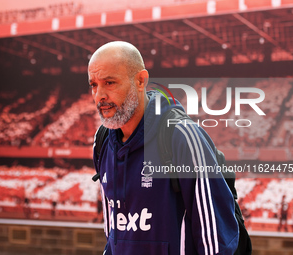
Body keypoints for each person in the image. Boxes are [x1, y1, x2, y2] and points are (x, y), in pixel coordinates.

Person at [88, 41, 239, 255]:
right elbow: (113, 234)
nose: (99, 95)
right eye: (94, 85)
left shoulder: (182, 137)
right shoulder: (101, 141)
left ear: (141, 80)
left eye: (109, 82)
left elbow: (217, 245)